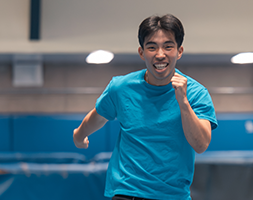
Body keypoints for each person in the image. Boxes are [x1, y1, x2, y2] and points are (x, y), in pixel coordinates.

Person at [71, 14, 218, 200]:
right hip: (127, 190)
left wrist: (183, 103)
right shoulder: (121, 87)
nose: (160, 54)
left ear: (179, 51)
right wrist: (79, 134)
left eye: (168, 46)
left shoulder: (196, 93)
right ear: (142, 52)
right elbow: (99, 115)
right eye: (152, 47)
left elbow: (201, 144)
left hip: (173, 194)